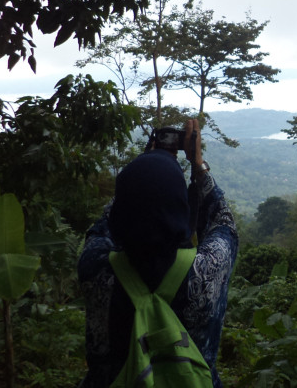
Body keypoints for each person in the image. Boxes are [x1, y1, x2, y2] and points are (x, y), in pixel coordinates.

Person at [78, 118, 238, 388]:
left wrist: (142, 174)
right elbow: (224, 223)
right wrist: (197, 166)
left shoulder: (95, 267)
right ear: (179, 205)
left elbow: (104, 225)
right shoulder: (207, 269)